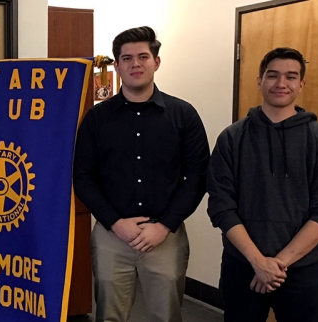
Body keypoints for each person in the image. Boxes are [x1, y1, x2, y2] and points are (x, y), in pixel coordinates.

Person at [73, 26, 210, 322]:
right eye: (127, 58)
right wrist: (114, 222)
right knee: (109, 314)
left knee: (167, 315)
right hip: (112, 235)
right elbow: (83, 176)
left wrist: (165, 225)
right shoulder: (97, 118)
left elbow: (197, 176)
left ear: (156, 62)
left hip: (165, 235)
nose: (135, 64)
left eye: (143, 56)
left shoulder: (183, 115)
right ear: (118, 65)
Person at [207, 47, 318, 322]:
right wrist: (257, 261)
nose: (281, 84)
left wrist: (276, 265)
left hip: (303, 270)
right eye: (273, 75)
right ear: (259, 80)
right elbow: (221, 206)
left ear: (301, 83)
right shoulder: (232, 138)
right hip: (242, 266)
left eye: (291, 76)